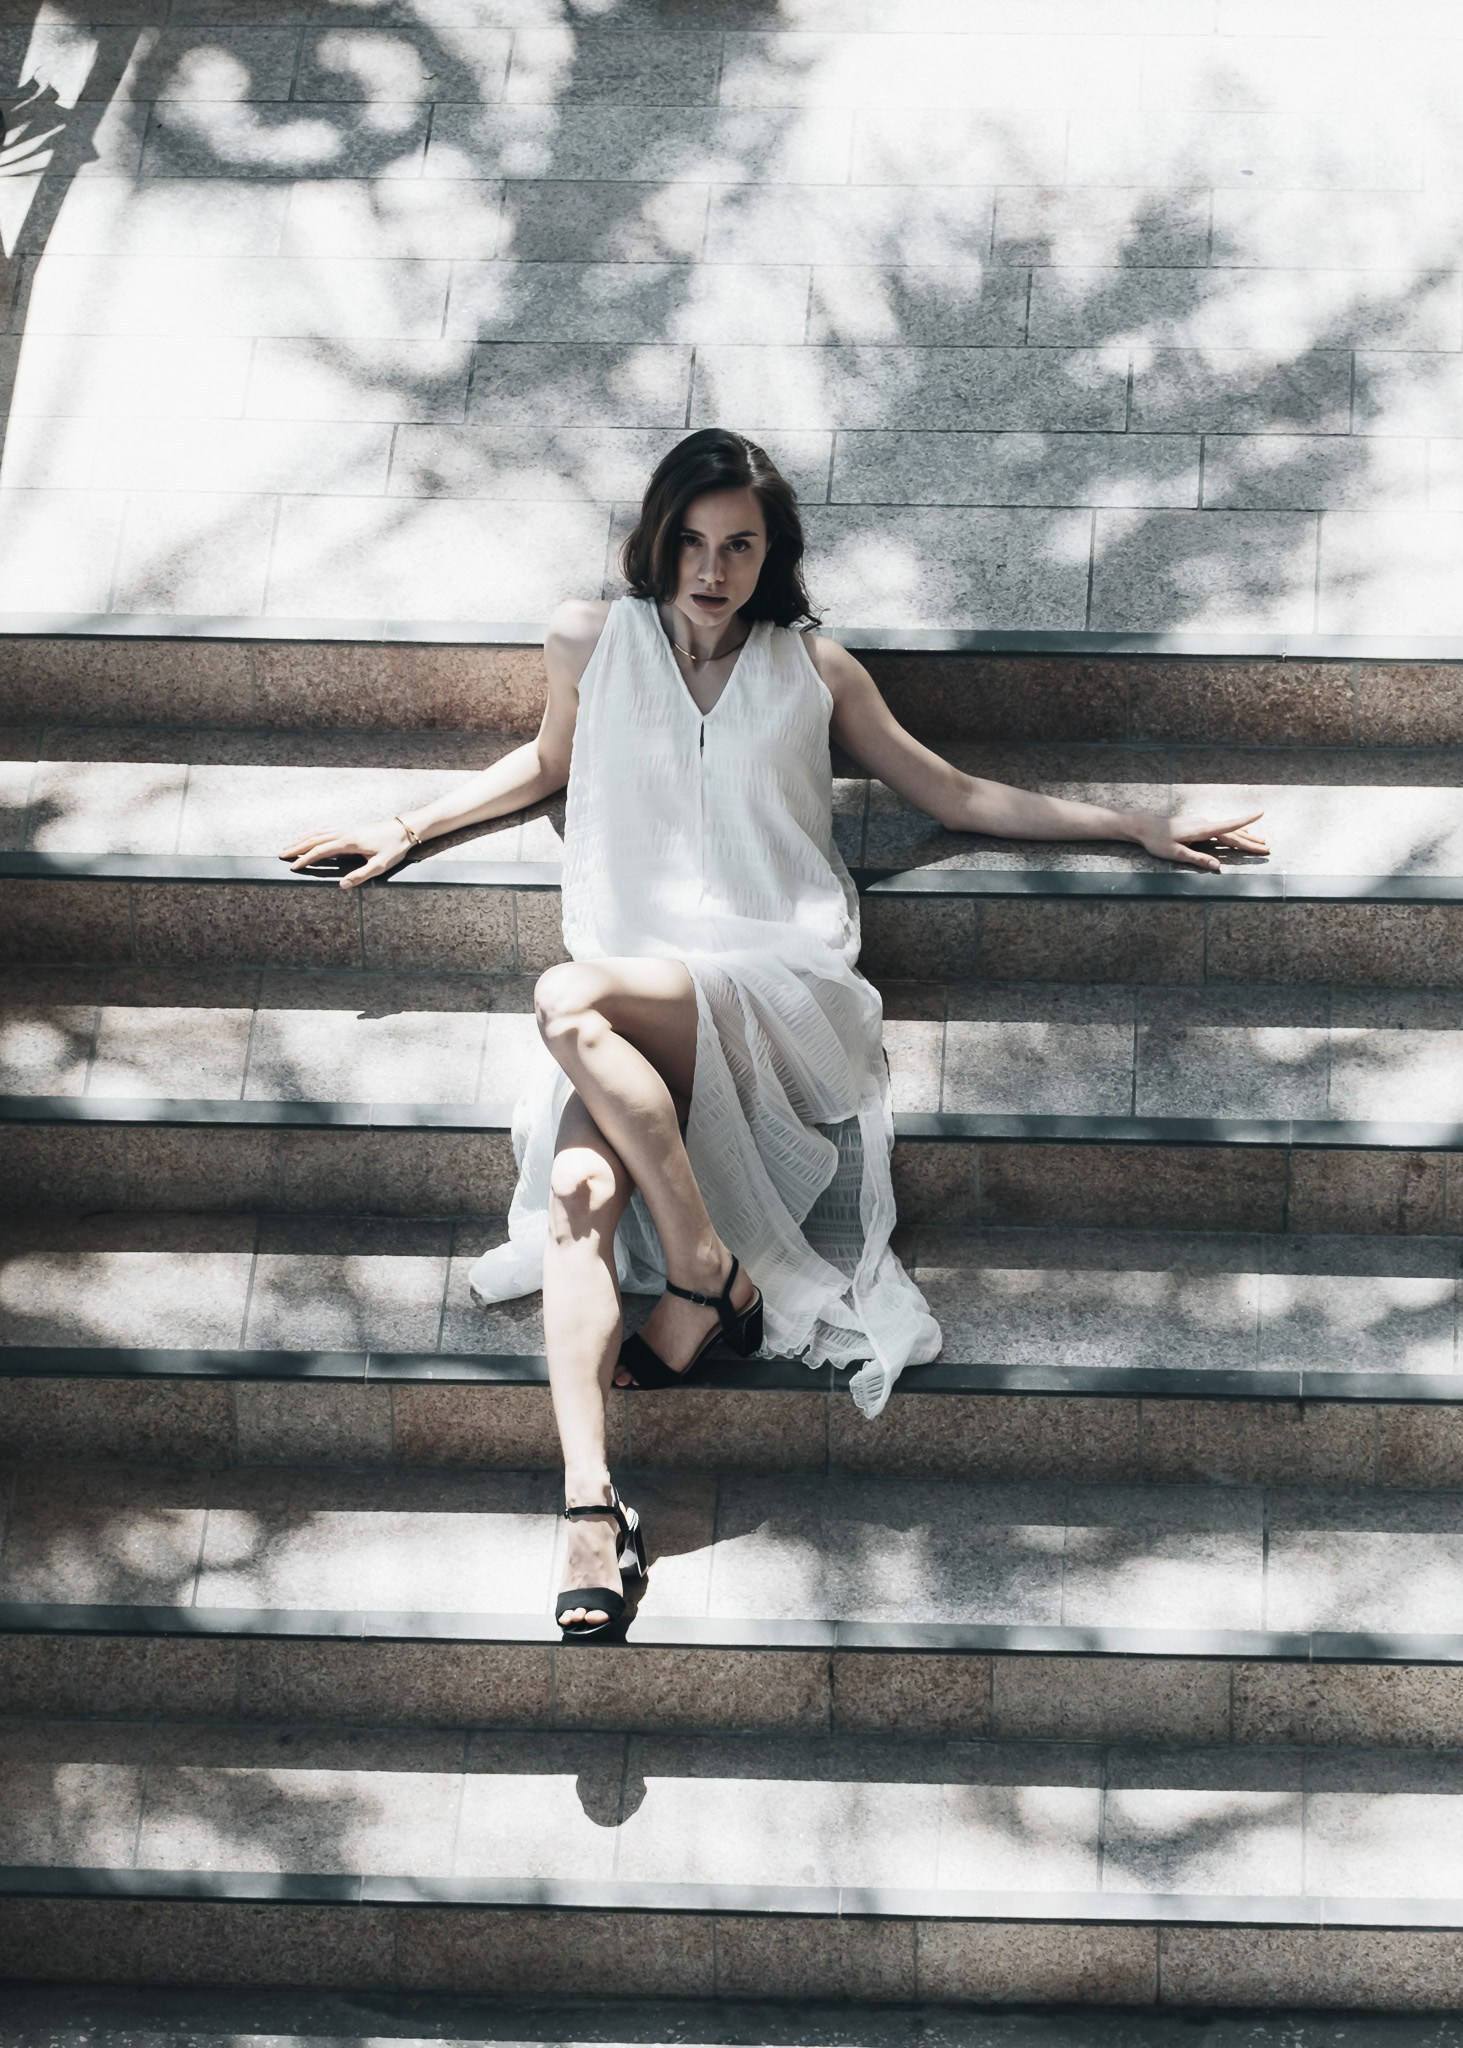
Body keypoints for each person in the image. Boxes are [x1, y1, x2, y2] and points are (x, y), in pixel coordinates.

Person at [282, 428, 1268, 1640]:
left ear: (771, 554)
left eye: (739, 546)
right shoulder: (589, 639)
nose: (712, 570)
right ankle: (589, 1503)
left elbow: (950, 792)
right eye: (692, 542)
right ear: (657, 540)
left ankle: (702, 1269)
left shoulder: (811, 668)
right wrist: (405, 825)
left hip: (776, 984)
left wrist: (1131, 823)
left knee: (561, 999)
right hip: (634, 995)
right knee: (579, 1189)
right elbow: (547, 761)